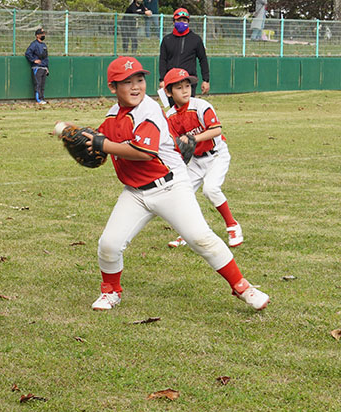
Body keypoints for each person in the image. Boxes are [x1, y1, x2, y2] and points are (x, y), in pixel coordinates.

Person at [82, 56, 268, 313]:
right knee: (109, 243)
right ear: (113, 88)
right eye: (127, 82)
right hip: (135, 192)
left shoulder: (148, 110)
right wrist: (87, 139)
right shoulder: (113, 115)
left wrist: (102, 145)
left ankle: (243, 288)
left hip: (170, 186)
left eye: (139, 80)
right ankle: (111, 292)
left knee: (200, 238)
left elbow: (142, 152)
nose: (136, 87)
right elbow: (102, 138)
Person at [162, 68, 243, 249]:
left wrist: (193, 138)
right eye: (179, 87)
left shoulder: (201, 106)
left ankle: (232, 225)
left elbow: (217, 130)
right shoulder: (169, 116)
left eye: (187, 86)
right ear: (168, 92)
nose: (185, 90)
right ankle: (188, 233)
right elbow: (174, 144)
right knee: (183, 194)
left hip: (216, 155)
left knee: (211, 189)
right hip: (195, 160)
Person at [158, 7, 210, 103]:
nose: (182, 22)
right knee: (173, 110)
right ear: (173, 22)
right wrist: (162, 79)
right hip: (171, 81)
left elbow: (203, 60)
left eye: (184, 20)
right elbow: (162, 60)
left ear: (188, 22)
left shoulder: (196, 39)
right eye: (179, 20)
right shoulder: (167, 40)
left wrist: (205, 80)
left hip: (188, 80)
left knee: (188, 110)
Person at [25, 27, 49, 104]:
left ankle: (42, 98)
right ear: (37, 35)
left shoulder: (44, 45)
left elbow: (46, 57)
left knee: (42, 85)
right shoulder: (34, 44)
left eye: (44, 34)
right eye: (42, 34)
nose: (43, 35)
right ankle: (38, 99)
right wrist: (33, 60)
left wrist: (46, 68)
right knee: (38, 84)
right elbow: (28, 53)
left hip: (43, 67)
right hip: (37, 68)